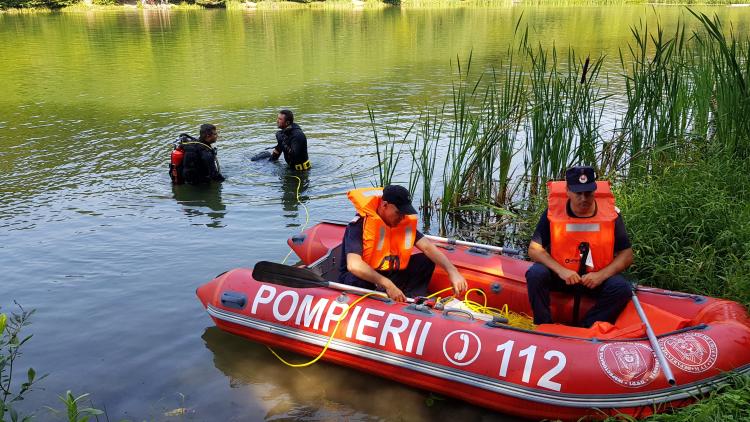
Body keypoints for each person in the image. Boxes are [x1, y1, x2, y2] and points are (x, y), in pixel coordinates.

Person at [525, 166, 633, 328]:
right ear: (568, 191)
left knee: (621, 288)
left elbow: (627, 254)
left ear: (595, 191)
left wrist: (600, 276)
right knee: (535, 274)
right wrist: (562, 271)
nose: (584, 199)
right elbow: (534, 249)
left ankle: (586, 329)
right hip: (562, 276)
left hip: (594, 279)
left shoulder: (611, 215)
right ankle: (543, 325)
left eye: (588, 193)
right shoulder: (552, 214)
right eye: (578, 193)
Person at [339, 185, 467, 302]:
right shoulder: (359, 225)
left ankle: (411, 300)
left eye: (404, 213)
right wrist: (387, 284)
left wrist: (452, 271)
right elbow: (354, 265)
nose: (402, 217)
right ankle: (378, 301)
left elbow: (428, 247)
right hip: (364, 279)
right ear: (384, 205)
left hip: (388, 274)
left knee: (425, 260)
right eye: (398, 213)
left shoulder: (401, 223)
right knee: (358, 279)